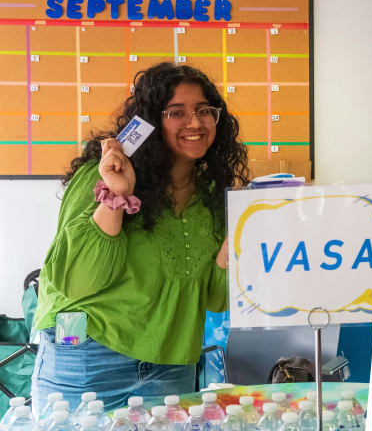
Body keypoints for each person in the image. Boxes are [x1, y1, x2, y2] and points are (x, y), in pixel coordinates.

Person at [30, 62, 249, 414]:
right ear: (149, 122)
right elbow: (73, 282)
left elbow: (215, 297)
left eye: (204, 111)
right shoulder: (102, 176)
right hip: (88, 361)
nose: (194, 123)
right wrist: (116, 197)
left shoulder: (212, 195)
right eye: (177, 112)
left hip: (171, 367)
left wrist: (233, 248)